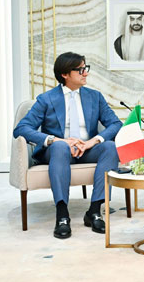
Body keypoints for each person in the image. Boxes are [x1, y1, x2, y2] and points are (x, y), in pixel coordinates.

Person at [13, 52, 121, 239]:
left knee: (109, 147)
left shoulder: (95, 97)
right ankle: (62, 215)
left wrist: (92, 142)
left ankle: (94, 211)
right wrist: (55, 140)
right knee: (60, 148)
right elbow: (21, 128)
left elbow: (115, 123)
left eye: (86, 68)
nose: (86, 73)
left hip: (86, 150)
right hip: (57, 152)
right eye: (80, 70)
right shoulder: (46, 99)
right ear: (65, 74)